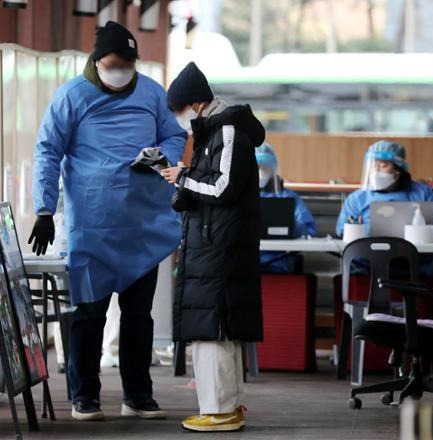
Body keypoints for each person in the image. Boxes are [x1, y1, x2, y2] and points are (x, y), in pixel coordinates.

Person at [30, 21, 186, 421]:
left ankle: (138, 395)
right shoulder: (71, 96)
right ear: (98, 61)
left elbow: (174, 135)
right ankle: (85, 397)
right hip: (93, 223)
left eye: (129, 63)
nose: (123, 71)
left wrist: (161, 153)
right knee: (89, 313)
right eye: (116, 63)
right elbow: (47, 150)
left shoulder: (152, 92)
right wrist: (44, 209)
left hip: (142, 223)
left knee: (138, 315)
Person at [160, 62, 265, 432]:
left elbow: (224, 188)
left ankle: (219, 411)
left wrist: (184, 178)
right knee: (216, 329)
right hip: (211, 245)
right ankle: (226, 405)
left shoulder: (229, 131)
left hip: (221, 247)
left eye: (177, 110)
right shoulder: (210, 133)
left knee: (213, 330)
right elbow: (209, 186)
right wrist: (183, 186)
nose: (177, 118)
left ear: (196, 104)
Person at [336, 140, 433, 275]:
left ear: (398, 170)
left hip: (417, 269)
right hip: (367, 270)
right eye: (373, 165)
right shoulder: (356, 199)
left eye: (383, 165)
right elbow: (343, 234)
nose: (375, 171)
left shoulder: (424, 194)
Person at [256, 143, 317, 273]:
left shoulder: (288, 197)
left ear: (273, 168)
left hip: (278, 263)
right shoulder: (239, 197)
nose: (261, 170)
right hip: (243, 264)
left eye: (265, 166)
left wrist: (290, 225)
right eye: (257, 165)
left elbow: (310, 230)